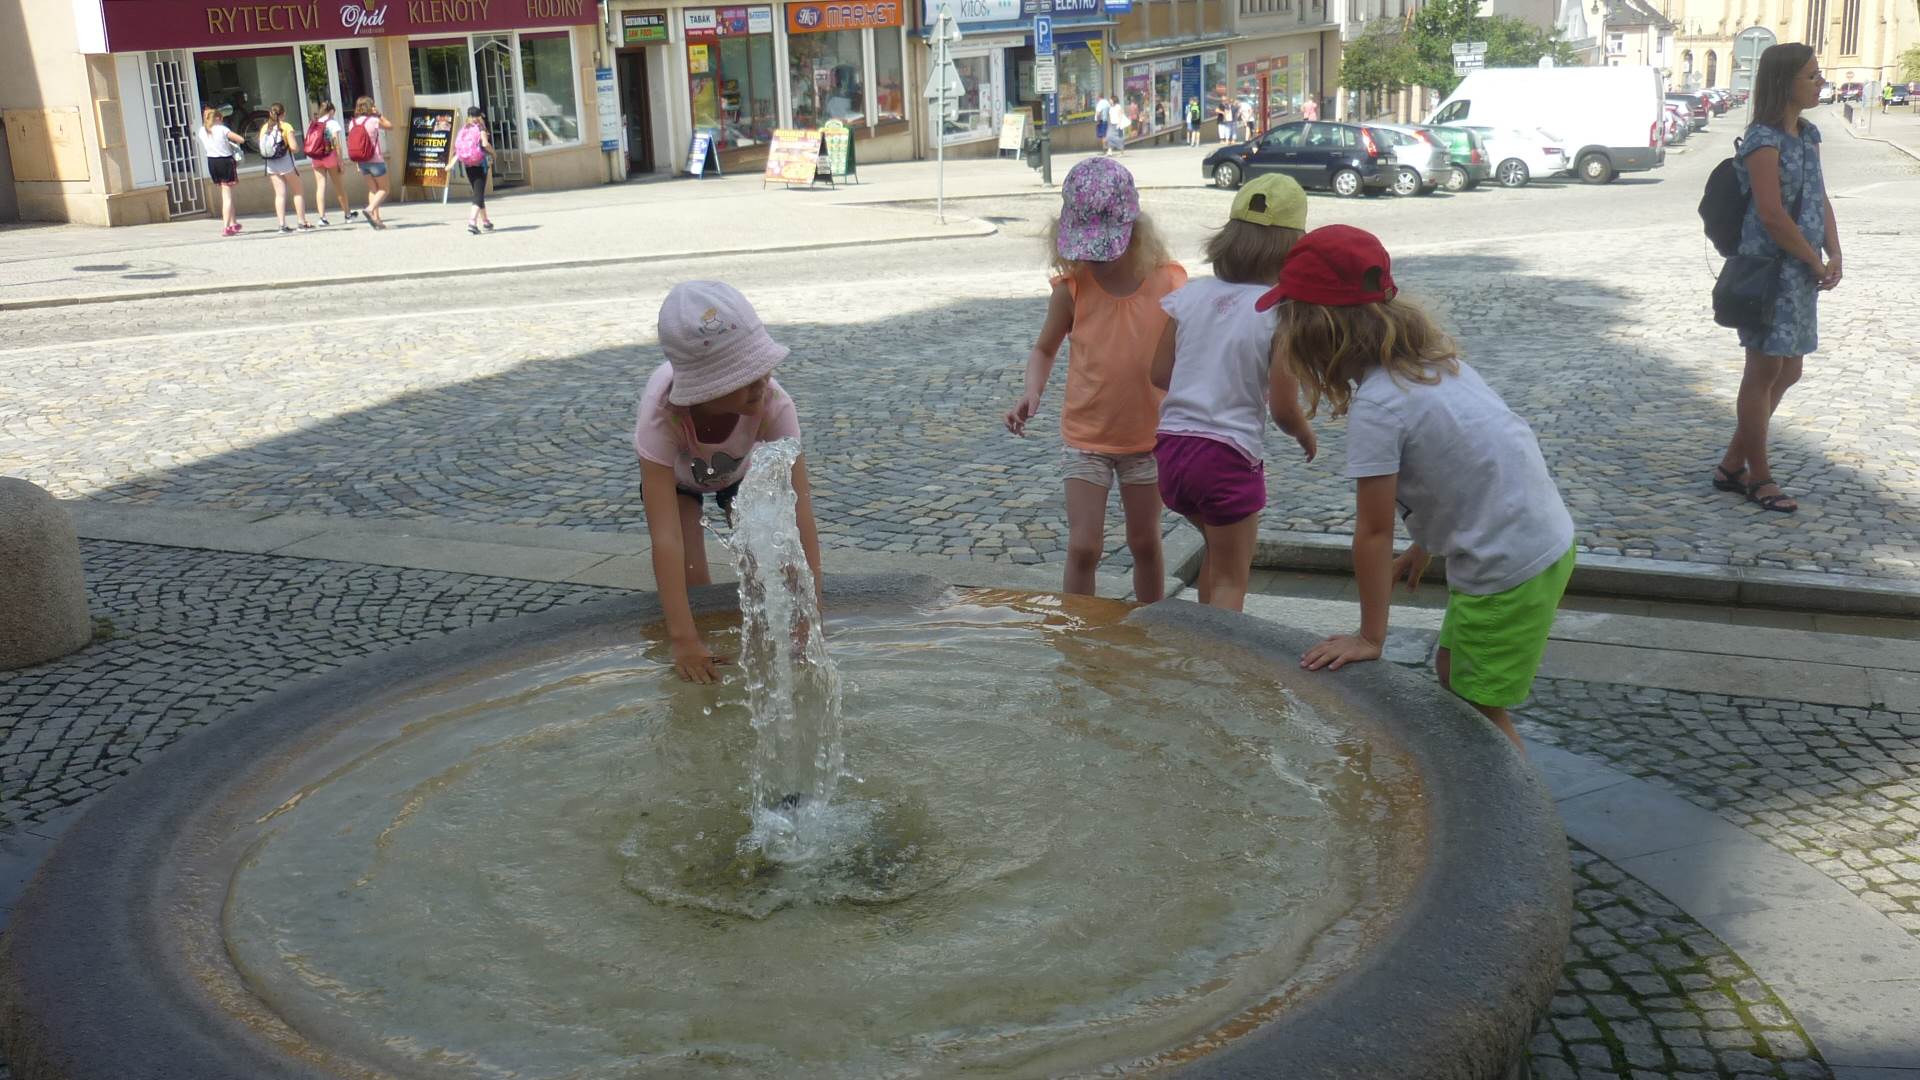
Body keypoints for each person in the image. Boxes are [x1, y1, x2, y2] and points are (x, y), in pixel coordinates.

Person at [1280, 226, 1574, 751]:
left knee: (1480, 713)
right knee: (1453, 671)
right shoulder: (1434, 364)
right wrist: (1425, 544)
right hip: (1533, 537)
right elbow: (1467, 466)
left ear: (1315, 333)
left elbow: (1373, 532)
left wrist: (1370, 637)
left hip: (1505, 564)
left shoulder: (1378, 405)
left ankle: (1519, 801)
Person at [1006, 158, 1186, 603]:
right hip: (1086, 437)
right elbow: (1044, 349)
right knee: (1084, 546)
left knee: (1145, 542)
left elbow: (1190, 352)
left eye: (1105, 249)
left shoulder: (1168, 284)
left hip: (1148, 439)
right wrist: (1032, 390)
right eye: (1086, 250)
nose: (1094, 260)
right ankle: (1078, 629)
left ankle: (1149, 624)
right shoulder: (1072, 289)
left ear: (1135, 233)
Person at [635, 280, 822, 683]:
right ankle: (705, 648)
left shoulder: (772, 403)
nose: (762, 382)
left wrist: (810, 619)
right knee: (692, 574)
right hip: (680, 481)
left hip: (742, 473)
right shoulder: (661, 416)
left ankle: (762, 637)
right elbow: (664, 539)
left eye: (761, 368)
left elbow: (800, 517)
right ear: (703, 391)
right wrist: (684, 640)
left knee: (763, 562)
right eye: (743, 377)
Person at [1148, 174, 1317, 612]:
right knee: (1231, 577)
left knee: (1216, 552)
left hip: (1172, 452)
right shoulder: (1279, 312)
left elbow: (1160, 372)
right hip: (1226, 456)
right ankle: (1218, 654)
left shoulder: (1190, 296)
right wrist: (1304, 433)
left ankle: (1202, 642)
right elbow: (1284, 408)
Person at [1710, 42, 1839, 514]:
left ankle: (1731, 465)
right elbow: (1771, 214)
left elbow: (1819, 196)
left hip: (1800, 271)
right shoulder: (1763, 140)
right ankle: (1758, 477)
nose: (1820, 82)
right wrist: (1813, 260)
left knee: (1790, 370)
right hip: (1769, 272)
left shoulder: (1807, 134)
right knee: (1763, 371)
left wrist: (1834, 251)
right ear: (1785, 83)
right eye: (1811, 75)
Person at [258, 104, 313, 233]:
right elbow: (293, 147)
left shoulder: (265, 128)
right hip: (286, 163)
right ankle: (301, 223)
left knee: (279, 195)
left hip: (271, 164)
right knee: (298, 192)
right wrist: (297, 148)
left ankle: (282, 225)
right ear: (283, 114)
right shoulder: (286, 126)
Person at [347, 96, 394, 230]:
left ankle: (376, 219)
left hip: (361, 161)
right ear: (370, 107)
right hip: (375, 160)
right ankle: (370, 209)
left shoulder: (352, 123)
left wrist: (357, 162)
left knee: (373, 189)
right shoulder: (373, 120)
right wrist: (379, 114)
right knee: (384, 188)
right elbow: (390, 126)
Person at [198, 106, 245, 236]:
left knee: (226, 192)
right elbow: (240, 139)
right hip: (225, 162)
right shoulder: (222, 129)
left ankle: (233, 223)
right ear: (218, 118)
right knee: (227, 196)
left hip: (212, 162)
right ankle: (226, 226)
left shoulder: (202, 130)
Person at [306, 101, 353, 225]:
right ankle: (347, 215)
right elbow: (336, 143)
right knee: (339, 187)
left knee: (320, 186)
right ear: (331, 111)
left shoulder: (315, 122)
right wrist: (340, 161)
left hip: (316, 157)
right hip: (330, 157)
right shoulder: (332, 123)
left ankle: (322, 217)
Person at [454, 107, 495, 235]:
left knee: (478, 193)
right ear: (479, 116)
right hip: (480, 164)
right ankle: (472, 223)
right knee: (478, 195)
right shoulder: (480, 128)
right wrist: (493, 153)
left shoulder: (464, 128)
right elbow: (485, 144)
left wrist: (451, 163)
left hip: (468, 164)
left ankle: (486, 222)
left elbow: (457, 148)